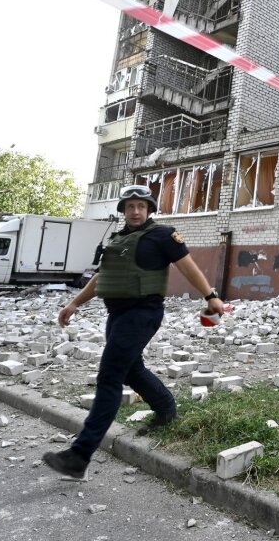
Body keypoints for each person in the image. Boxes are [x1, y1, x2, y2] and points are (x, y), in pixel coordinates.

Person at [42, 184, 224, 479]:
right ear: (123, 211)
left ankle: (79, 456)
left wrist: (210, 295)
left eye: (141, 206)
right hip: (117, 314)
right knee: (129, 369)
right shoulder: (119, 239)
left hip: (143, 313)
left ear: (149, 209)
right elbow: (103, 277)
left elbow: (188, 267)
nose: (136, 211)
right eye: (130, 207)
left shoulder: (163, 235)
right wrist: (74, 302)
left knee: (109, 376)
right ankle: (166, 411)